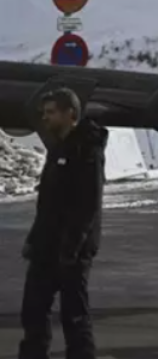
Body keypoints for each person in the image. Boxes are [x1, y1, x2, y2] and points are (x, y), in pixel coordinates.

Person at [19, 87, 108, 359]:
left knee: (74, 315)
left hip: (72, 249)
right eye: (44, 113)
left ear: (70, 114)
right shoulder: (57, 147)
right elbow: (47, 204)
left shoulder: (87, 149)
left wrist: (71, 248)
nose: (45, 118)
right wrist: (34, 240)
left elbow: (87, 205)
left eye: (51, 113)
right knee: (33, 309)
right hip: (47, 245)